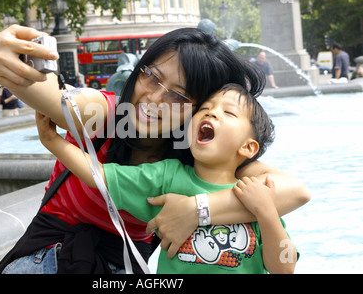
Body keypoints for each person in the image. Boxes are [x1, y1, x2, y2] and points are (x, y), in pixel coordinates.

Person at [0, 25, 310, 274]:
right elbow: (53, 97)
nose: (153, 99)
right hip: (50, 259)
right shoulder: (109, 115)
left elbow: (294, 191)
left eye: (178, 96)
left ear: (198, 109)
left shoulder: (198, 155)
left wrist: (196, 209)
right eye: (151, 76)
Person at [37, 83, 298, 274]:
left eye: (228, 113)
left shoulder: (253, 195)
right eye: (205, 108)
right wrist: (54, 142)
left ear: (248, 148)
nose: (211, 113)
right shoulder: (166, 176)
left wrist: (266, 212)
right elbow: (102, 177)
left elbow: (284, 269)